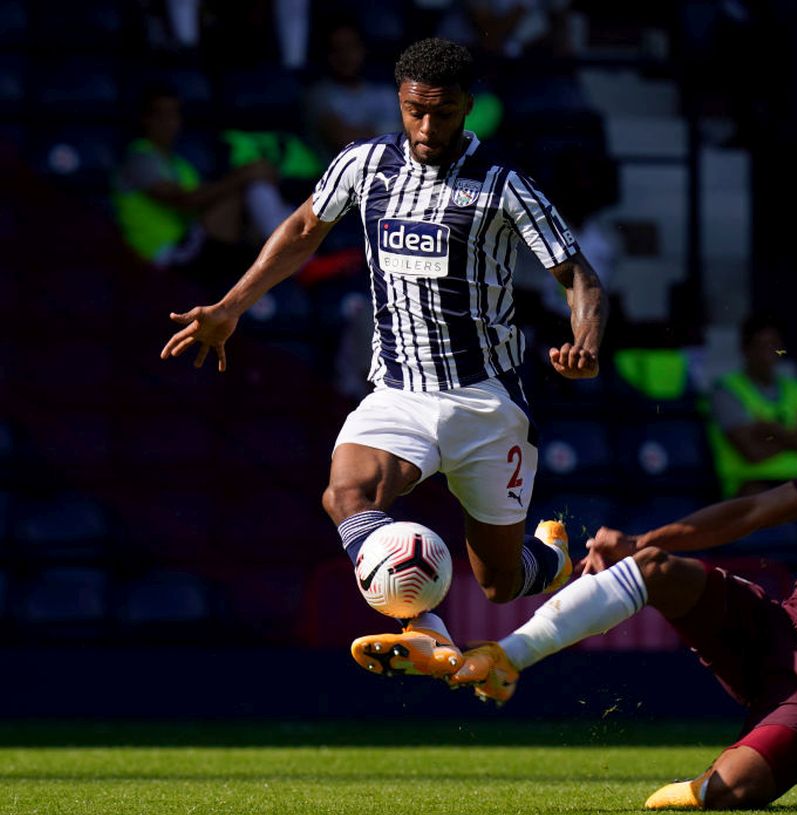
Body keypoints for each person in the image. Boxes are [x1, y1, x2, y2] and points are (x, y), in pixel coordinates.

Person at [160, 38, 608, 675]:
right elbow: (302, 230)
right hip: (400, 391)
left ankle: (554, 556)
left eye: (444, 113)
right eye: (414, 110)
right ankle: (424, 626)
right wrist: (231, 306)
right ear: (399, 101)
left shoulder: (505, 187)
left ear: (468, 108)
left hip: (488, 402)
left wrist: (585, 344)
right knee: (346, 496)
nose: (427, 127)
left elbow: (580, 277)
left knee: (501, 582)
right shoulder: (364, 165)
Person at [443, 370, 797, 810]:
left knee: (731, 793)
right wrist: (642, 538)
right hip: (775, 628)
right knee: (655, 567)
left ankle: (748, 762)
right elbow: (754, 511)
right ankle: (505, 656)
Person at [113, 87, 290, 271]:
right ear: (145, 119)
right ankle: (291, 254)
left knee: (248, 194)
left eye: (174, 114)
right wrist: (243, 175)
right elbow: (185, 200)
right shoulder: (138, 158)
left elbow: (203, 202)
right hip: (163, 253)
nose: (169, 122)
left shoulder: (181, 165)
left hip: (191, 242)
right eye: (160, 115)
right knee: (241, 192)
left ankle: (287, 253)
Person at [707, 314, 797, 499]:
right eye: (759, 346)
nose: (767, 353)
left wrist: (774, 432)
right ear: (745, 349)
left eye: (773, 345)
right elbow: (752, 452)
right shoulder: (727, 390)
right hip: (753, 485)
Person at [305, 19, 403, 159]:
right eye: (336, 49)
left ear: (363, 49)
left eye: (351, 47)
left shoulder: (386, 93)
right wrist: (393, 133)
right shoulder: (318, 95)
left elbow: (414, 135)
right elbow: (347, 142)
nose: (345, 56)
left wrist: (370, 133)